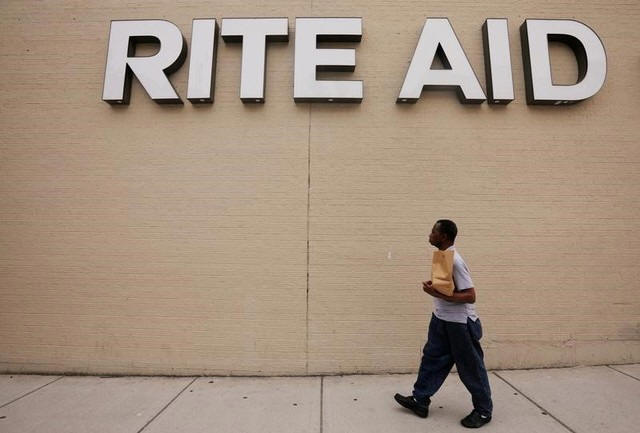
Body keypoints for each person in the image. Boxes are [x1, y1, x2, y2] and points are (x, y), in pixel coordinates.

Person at [394, 219, 493, 428]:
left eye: (433, 232)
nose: (429, 235)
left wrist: (438, 294)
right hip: (441, 319)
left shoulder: (456, 260)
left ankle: (484, 411)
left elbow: (470, 296)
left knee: (471, 368)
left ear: (444, 236)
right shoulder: (442, 257)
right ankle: (420, 400)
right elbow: (447, 287)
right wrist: (436, 288)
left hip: (460, 324)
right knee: (431, 359)